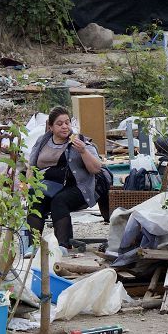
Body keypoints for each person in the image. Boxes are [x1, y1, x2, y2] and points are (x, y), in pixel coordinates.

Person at [27, 106, 102, 249]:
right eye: (59, 124)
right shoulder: (42, 141)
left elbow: (96, 169)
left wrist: (83, 151)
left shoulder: (78, 141)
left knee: (59, 201)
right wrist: (30, 186)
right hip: (49, 185)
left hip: (77, 186)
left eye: (67, 122)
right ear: (51, 127)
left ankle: (63, 244)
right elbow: (31, 166)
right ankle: (33, 245)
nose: (65, 127)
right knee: (35, 199)